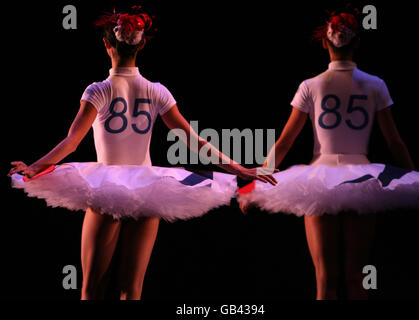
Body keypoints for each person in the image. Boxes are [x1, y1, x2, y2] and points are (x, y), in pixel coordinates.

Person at [8, 7, 276, 300]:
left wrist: (34, 167)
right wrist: (241, 169)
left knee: (91, 289)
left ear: (107, 44)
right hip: (149, 189)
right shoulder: (156, 90)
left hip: (106, 187)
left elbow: (72, 142)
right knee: (132, 290)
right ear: (142, 43)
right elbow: (194, 141)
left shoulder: (99, 90)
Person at [238, 11, 419, 300]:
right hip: (363, 179)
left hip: (319, 181)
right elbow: (395, 142)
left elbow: (285, 141)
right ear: (357, 43)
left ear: (324, 43)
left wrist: (255, 181)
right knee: (356, 277)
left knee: (325, 281)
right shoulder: (375, 84)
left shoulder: (311, 85)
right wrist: (416, 184)